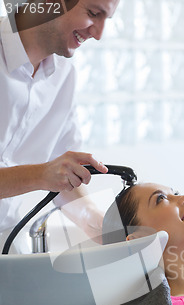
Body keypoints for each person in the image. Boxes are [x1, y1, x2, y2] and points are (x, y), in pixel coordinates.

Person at [0, 0, 120, 242]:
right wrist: (40, 175)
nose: (98, 34)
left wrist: (107, 232)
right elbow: (50, 174)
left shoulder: (64, 76)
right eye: (93, 13)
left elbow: (63, 180)